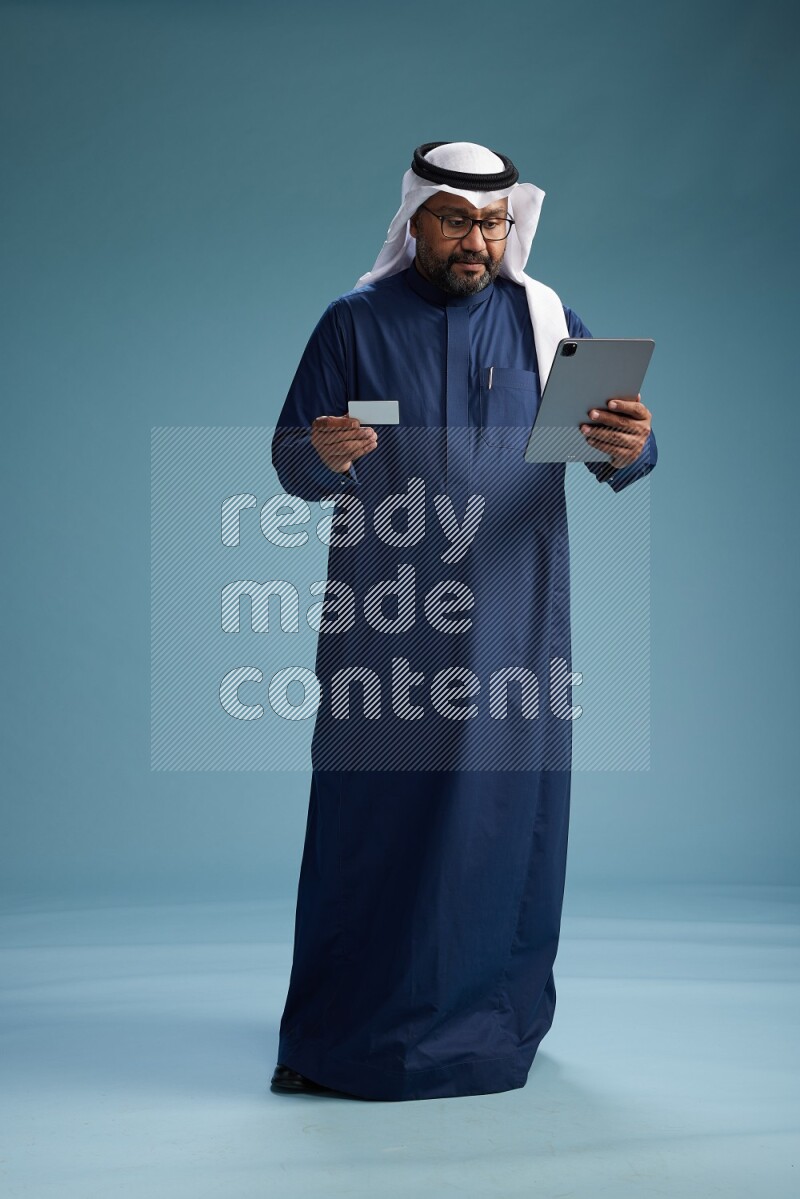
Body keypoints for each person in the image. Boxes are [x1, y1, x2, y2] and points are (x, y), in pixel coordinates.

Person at [269, 142, 656, 1102]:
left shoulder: (547, 322)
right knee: (373, 820)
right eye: (455, 220)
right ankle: (338, 1032)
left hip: (515, 624)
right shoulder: (353, 324)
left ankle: (491, 1028)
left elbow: (621, 452)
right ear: (414, 223)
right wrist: (320, 450)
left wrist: (632, 445)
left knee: (499, 820)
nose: (477, 240)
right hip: (384, 622)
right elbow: (290, 460)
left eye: (493, 223)